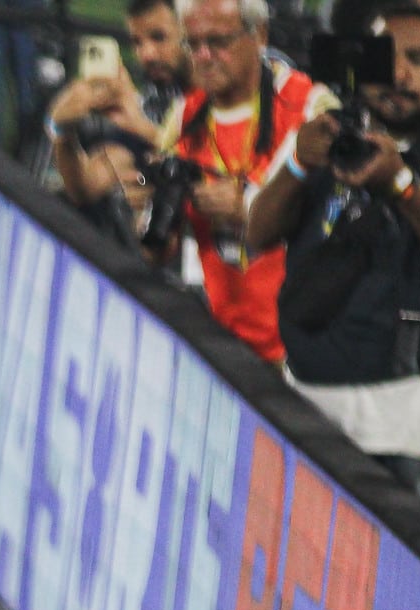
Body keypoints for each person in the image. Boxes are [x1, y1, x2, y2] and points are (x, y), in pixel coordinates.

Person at [247, 4, 420, 528]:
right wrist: (296, 163)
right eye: (385, 58)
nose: (399, 75)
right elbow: (257, 234)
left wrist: (400, 184)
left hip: (416, 437)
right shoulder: (331, 135)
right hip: (314, 415)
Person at [160, 0, 337, 361]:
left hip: (301, 355)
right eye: (193, 44)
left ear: (259, 35)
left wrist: (250, 209)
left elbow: (341, 225)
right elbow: (158, 245)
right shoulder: (182, 119)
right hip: (226, 354)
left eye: (218, 42)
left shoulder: (310, 107)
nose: (204, 56)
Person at [48, 0, 197, 213]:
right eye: (137, 42)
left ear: (191, 30)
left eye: (159, 37)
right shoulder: (154, 101)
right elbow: (87, 187)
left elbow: (222, 174)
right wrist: (63, 132)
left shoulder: (232, 91)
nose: (147, 54)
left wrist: (142, 126)